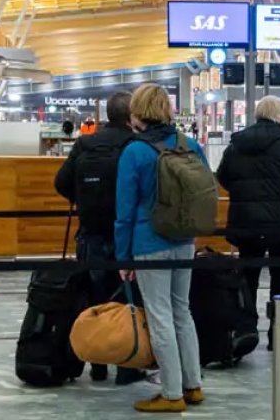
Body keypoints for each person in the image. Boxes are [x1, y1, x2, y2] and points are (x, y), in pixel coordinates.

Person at [116, 83, 206, 414]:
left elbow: (124, 211)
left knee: (160, 316)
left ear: (137, 112)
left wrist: (123, 256)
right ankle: (192, 384)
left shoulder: (134, 152)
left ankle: (170, 393)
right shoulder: (190, 145)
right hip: (184, 240)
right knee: (182, 311)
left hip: (148, 242)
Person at [217, 95, 280, 349]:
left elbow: (223, 177)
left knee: (247, 276)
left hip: (246, 221)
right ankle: (279, 333)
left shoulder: (236, 144)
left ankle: (246, 330)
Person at [55, 91, 143, 386]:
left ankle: (98, 364)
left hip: (90, 232)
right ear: (132, 115)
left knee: (95, 297)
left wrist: (83, 199)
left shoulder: (85, 143)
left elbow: (61, 182)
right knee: (127, 299)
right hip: (126, 236)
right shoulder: (136, 144)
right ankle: (128, 365)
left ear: (107, 114)